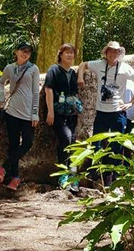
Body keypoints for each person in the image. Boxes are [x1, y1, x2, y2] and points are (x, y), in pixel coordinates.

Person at [77, 40, 134, 184]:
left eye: (116, 51)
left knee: (116, 146)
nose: (113, 54)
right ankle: (95, 172)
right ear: (106, 53)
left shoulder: (125, 68)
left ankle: (110, 176)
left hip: (118, 113)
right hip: (101, 112)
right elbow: (83, 64)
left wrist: (130, 103)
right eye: (111, 51)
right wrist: (80, 77)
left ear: (119, 54)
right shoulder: (99, 64)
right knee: (97, 143)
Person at [0, 41, 40, 191]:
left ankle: (3, 168)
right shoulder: (9, 68)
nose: (25, 53)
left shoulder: (33, 69)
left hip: (28, 114)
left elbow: (35, 92)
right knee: (13, 145)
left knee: (27, 143)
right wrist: (1, 96)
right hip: (12, 112)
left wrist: (35, 113)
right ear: (16, 51)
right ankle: (14, 178)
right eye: (22, 50)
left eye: (28, 52)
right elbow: (1, 83)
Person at [45, 43, 81, 191]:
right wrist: (50, 111)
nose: (70, 55)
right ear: (60, 54)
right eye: (67, 52)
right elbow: (48, 90)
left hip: (71, 113)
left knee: (72, 142)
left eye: (72, 53)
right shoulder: (53, 70)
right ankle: (63, 175)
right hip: (58, 113)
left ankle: (73, 177)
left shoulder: (73, 73)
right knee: (65, 139)